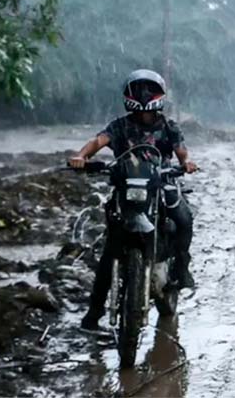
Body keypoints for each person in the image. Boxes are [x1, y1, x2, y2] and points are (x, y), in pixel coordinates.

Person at [69, 69, 198, 330]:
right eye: (139, 90)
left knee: (184, 219)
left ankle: (181, 268)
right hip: (126, 191)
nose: (143, 97)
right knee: (110, 251)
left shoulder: (168, 126)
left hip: (161, 185)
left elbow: (182, 152)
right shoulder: (119, 125)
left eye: (148, 91)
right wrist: (81, 156)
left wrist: (186, 163)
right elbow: (98, 141)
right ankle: (93, 314)